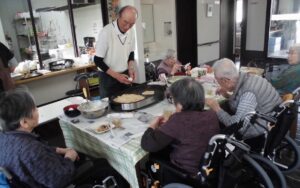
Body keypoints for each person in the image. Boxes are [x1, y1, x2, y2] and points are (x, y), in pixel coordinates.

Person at [0, 90, 129, 188]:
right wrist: (69, 157)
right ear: (24, 122)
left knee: (81, 155)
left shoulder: (6, 137)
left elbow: (38, 154)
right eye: (34, 109)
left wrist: (59, 150)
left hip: (36, 176)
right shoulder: (30, 150)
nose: (37, 111)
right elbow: (58, 180)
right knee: (103, 164)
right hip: (61, 181)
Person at [141, 77, 219, 175]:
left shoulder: (179, 120)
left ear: (181, 103)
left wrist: (152, 125)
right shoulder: (211, 115)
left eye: (174, 100)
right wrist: (170, 123)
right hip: (206, 168)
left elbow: (147, 144)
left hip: (185, 173)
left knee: (153, 155)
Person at [205, 58, 282, 142]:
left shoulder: (249, 93)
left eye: (218, 81)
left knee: (212, 126)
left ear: (226, 80)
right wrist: (227, 95)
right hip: (269, 118)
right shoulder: (249, 77)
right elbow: (242, 103)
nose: (218, 84)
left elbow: (237, 125)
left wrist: (217, 109)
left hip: (259, 130)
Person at [94, 6, 138, 98]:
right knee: (110, 107)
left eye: (131, 24)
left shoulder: (132, 31)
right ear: (118, 16)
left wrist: (131, 67)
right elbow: (97, 60)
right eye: (125, 22)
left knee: (127, 102)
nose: (127, 27)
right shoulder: (106, 32)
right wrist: (117, 76)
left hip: (124, 74)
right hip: (108, 76)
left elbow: (131, 52)